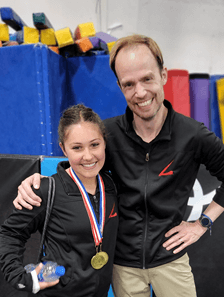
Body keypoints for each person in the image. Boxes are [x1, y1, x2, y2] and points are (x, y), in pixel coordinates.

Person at [13, 34, 224, 297]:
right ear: (120, 87)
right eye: (129, 84)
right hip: (122, 265)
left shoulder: (193, 135)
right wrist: (34, 182)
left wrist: (202, 222)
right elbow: (79, 168)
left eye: (147, 79)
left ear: (164, 75)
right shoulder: (109, 135)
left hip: (171, 261)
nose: (140, 92)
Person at [0, 104, 118, 296]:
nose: (88, 156)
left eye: (95, 145)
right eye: (77, 148)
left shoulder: (112, 187)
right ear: (63, 148)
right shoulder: (46, 191)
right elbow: (9, 234)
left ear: (104, 142)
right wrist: (19, 277)